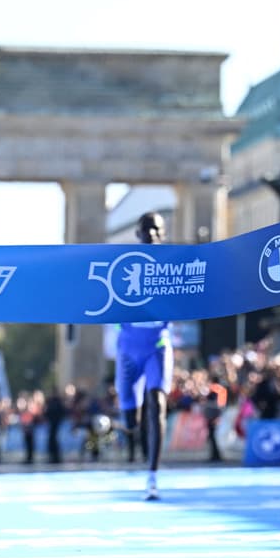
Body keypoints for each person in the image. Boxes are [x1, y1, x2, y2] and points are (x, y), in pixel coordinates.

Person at [114, 211, 175, 500]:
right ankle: (130, 430)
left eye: (157, 229)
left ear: (163, 235)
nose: (151, 234)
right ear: (137, 233)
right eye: (146, 229)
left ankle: (153, 474)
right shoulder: (121, 262)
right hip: (128, 350)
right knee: (131, 420)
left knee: (157, 402)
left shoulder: (175, 264)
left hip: (157, 346)